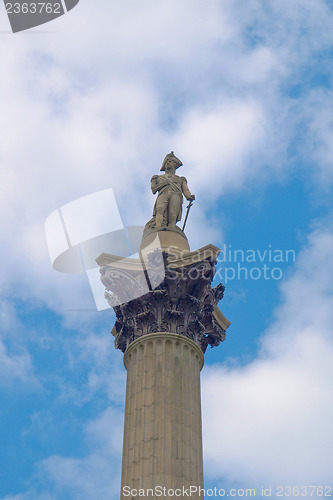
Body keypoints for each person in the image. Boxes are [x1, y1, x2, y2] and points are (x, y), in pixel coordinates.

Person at [150, 152, 195, 228]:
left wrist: (189, 196)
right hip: (163, 194)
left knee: (173, 214)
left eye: (170, 161)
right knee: (160, 209)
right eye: (166, 162)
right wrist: (164, 183)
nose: (167, 163)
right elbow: (153, 189)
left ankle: (172, 228)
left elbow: (185, 190)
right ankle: (158, 227)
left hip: (176, 194)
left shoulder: (180, 179)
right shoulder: (157, 178)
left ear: (174, 165)